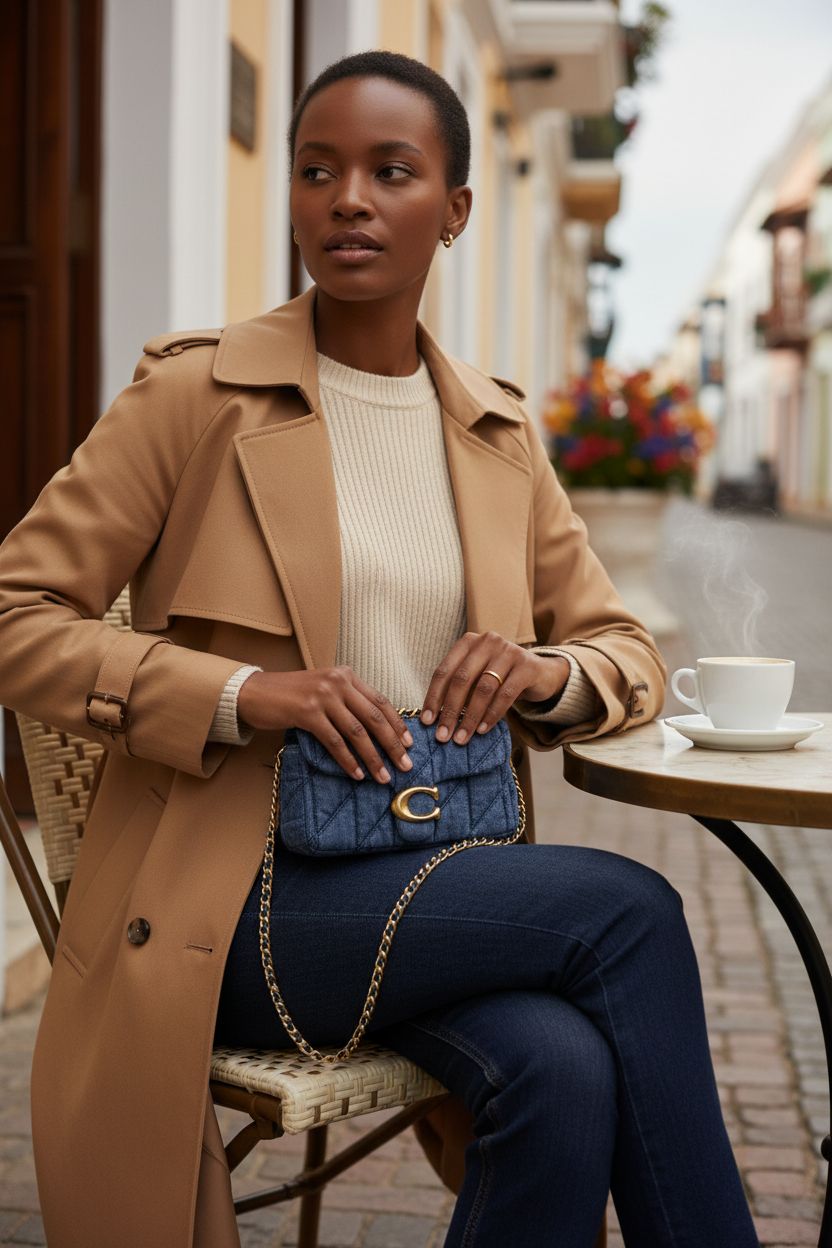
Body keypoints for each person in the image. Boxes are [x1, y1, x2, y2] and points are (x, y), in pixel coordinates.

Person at [0, 49, 759, 1248]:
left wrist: (546, 674)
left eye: (390, 170)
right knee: (628, 914)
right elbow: (18, 615)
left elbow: (622, 648)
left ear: (454, 211)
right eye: (318, 170)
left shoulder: (497, 433)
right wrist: (242, 694)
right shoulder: (196, 397)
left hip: (431, 869)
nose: (347, 197)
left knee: (561, 1071)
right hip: (234, 897)